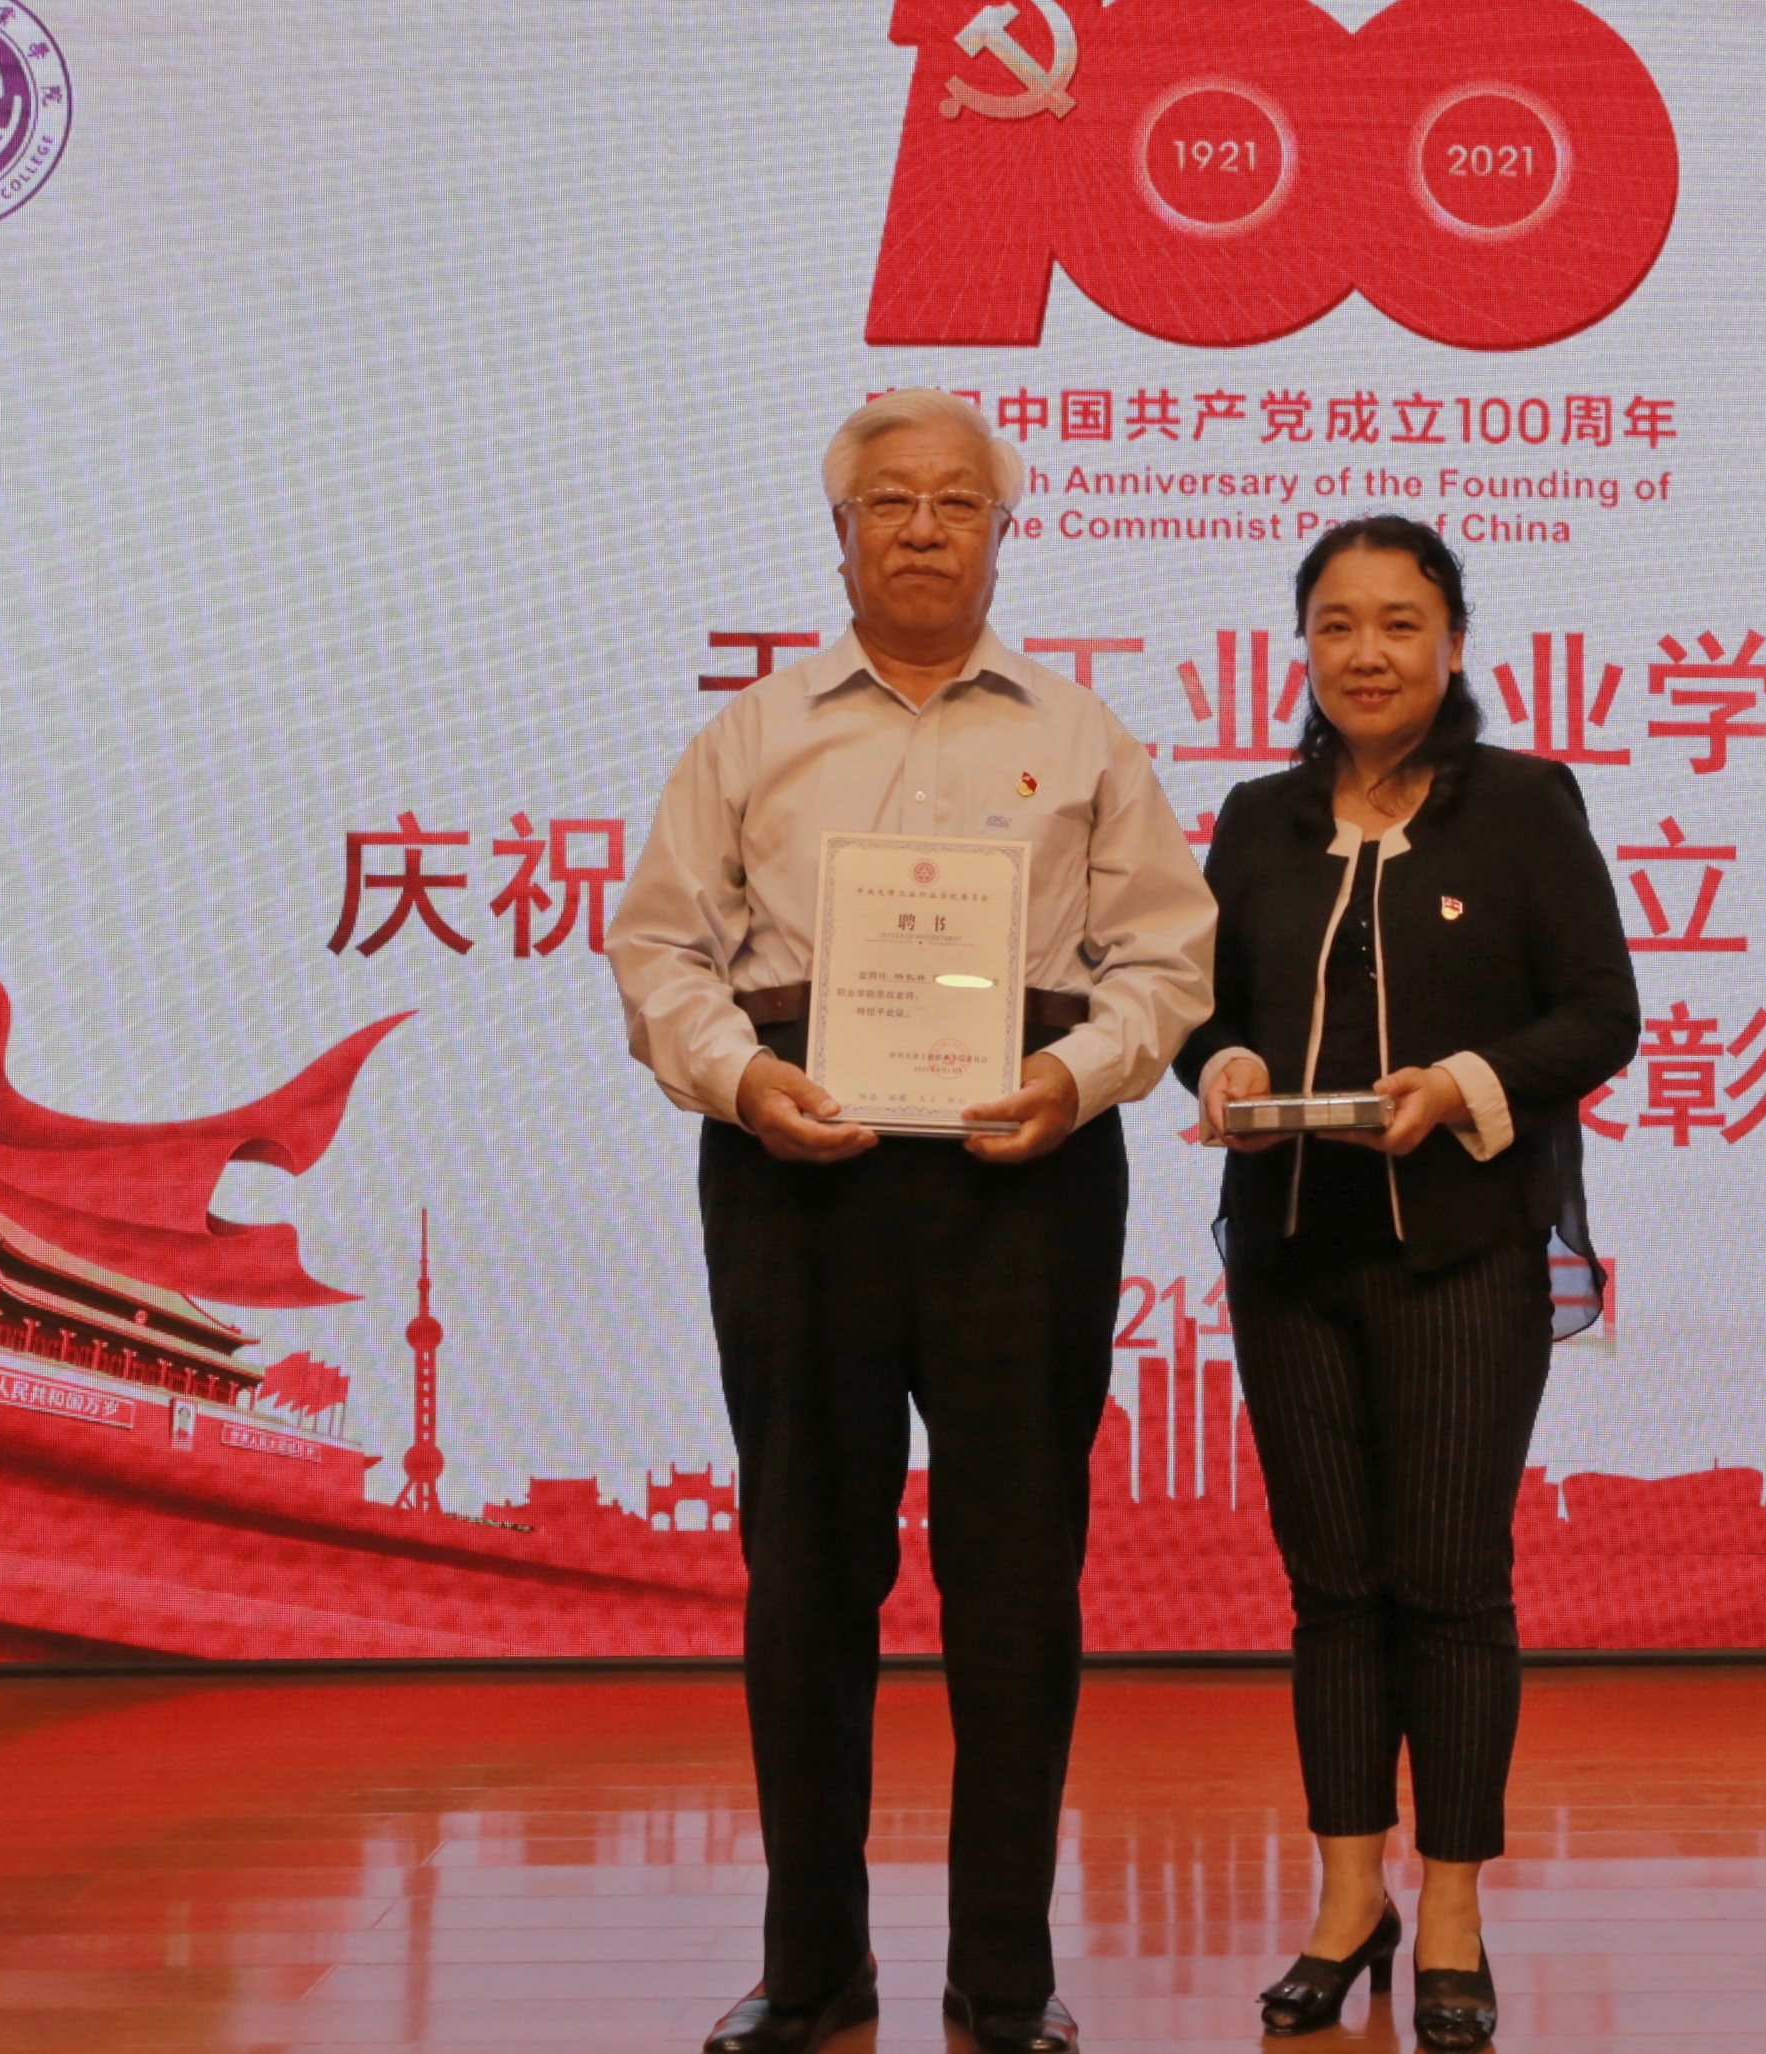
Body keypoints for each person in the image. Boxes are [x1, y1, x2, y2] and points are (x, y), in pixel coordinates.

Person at [605, 390, 1215, 2054]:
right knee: (806, 1572)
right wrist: (741, 1079)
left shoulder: (1082, 738)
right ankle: (813, 1967)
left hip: (1026, 1167)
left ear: (1004, 535)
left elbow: (1167, 957)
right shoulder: (752, 736)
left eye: (957, 500)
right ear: (841, 535)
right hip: (797, 1160)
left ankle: (1003, 1974)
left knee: (1014, 1576)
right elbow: (658, 948)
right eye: (891, 501)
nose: (925, 527)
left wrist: (1078, 1076)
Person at [1176, 516, 1639, 2051]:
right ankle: (1342, 1899)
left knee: (1446, 1585)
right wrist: (1216, 1064)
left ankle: (1448, 1907)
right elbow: (1198, 1011)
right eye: (1335, 624)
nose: (1364, 652)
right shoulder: (1255, 817)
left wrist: (1458, 1083)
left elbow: (1599, 1012)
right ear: (1299, 646)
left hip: (1460, 1255)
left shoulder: (1522, 803)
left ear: (1451, 640)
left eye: (1397, 622)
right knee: (1330, 1593)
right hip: (1291, 1253)